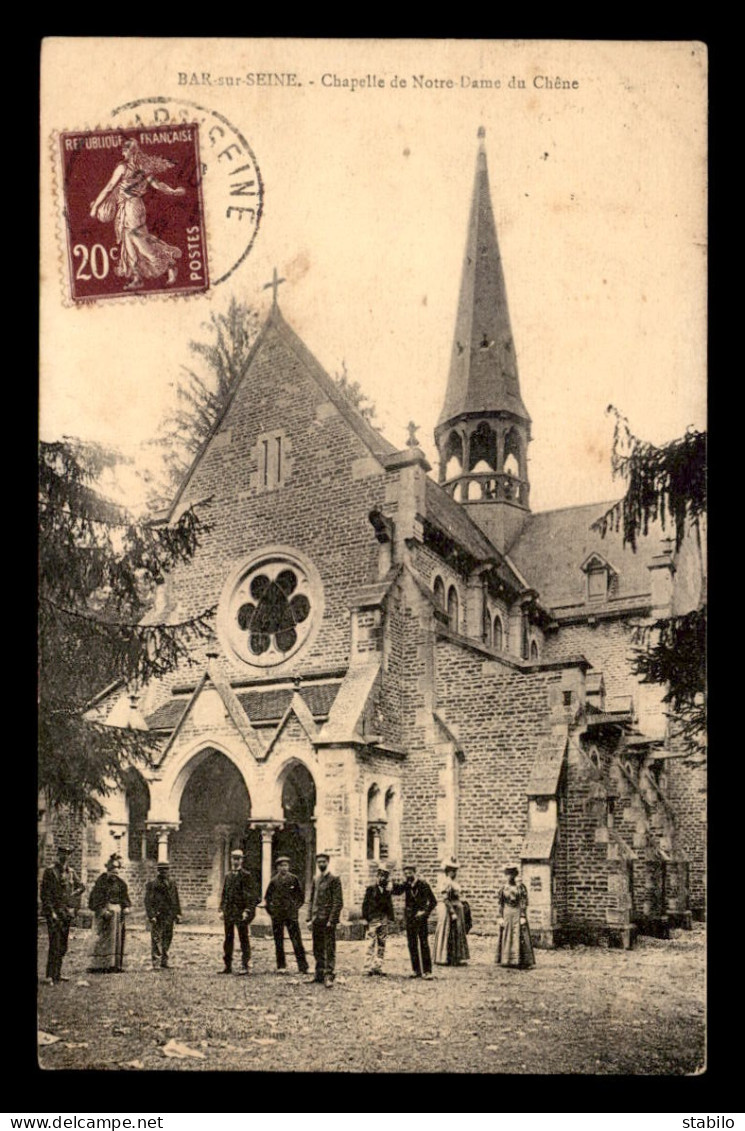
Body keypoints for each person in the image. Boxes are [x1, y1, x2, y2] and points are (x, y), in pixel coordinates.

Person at [89, 137, 186, 291]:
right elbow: (157, 184)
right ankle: (136, 278)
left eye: (125, 149)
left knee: (140, 243)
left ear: (128, 151)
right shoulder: (143, 167)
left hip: (131, 208)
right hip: (134, 206)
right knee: (129, 244)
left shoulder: (122, 168)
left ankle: (169, 265)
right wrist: (172, 191)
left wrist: (95, 207)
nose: (123, 152)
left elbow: (109, 187)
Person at [40, 843, 85, 985]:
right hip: (54, 911)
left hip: (66, 912)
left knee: (63, 944)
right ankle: (50, 975)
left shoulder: (71, 872)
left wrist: (73, 896)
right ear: (58, 855)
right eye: (62, 854)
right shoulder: (50, 871)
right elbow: (45, 894)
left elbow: (81, 886)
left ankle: (58, 974)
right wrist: (51, 912)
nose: (65, 856)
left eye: (68, 854)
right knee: (55, 943)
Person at [264, 856, 309, 975]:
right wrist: (272, 912)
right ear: (277, 867)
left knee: (296, 940)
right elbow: (267, 898)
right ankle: (281, 965)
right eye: (281, 866)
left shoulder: (294, 879)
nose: (283, 868)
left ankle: (303, 966)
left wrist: (294, 908)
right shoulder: (273, 881)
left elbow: (300, 897)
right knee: (278, 940)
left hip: (291, 915)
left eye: (285, 865)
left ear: (288, 867)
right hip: (278, 915)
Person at [391, 864, 437, 979]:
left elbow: (433, 902)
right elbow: (396, 891)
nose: (407, 875)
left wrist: (424, 912)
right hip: (410, 919)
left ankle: (427, 971)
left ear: (414, 872)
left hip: (421, 919)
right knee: (412, 944)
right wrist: (390, 884)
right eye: (405, 873)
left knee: (424, 943)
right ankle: (416, 970)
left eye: (409, 873)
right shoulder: (406, 885)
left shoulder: (423, 885)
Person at [88, 852, 131, 973]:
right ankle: (99, 965)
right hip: (105, 914)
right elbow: (95, 899)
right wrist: (102, 910)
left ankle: (115, 965)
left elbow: (125, 897)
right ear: (108, 870)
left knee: (117, 939)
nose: (114, 874)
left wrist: (126, 906)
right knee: (103, 938)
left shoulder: (121, 883)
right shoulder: (101, 882)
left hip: (118, 915)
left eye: (116, 872)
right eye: (112, 872)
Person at [219, 848, 260, 975]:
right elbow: (224, 894)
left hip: (241, 912)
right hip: (229, 912)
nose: (235, 861)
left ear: (242, 860)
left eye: (238, 858)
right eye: (233, 858)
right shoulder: (228, 876)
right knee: (228, 939)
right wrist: (221, 909)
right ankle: (227, 966)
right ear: (231, 859)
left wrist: (247, 910)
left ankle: (245, 965)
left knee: (243, 938)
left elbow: (251, 895)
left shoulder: (246, 876)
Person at [306, 851, 343, 988]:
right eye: (319, 862)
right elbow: (311, 900)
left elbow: (338, 902)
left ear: (328, 862)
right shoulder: (316, 879)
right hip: (317, 919)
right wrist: (309, 918)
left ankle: (329, 975)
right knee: (317, 947)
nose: (321, 864)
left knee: (329, 948)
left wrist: (332, 920)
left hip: (328, 920)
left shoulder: (334, 879)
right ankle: (319, 974)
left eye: (324, 862)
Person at [495, 865, 535, 970]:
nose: (509, 876)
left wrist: (522, 915)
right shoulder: (503, 888)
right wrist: (500, 916)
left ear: (515, 875)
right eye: (507, 874)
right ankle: (506, 959)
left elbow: (523, 902)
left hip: (517, 912)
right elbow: (500, 903)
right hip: (507, 913)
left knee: (519, 934)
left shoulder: (520, 887)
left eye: (511, 874)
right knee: (507, 934)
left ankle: (521, 960)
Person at [144, 862, 182, 970]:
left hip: (169, 915)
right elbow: (148, 901)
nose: (164, 872)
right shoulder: (152, 884)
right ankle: (156, 962)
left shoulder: (172, 883)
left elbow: (176, 899)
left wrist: (178, 913)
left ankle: (164, 961)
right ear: (158, 871)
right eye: (162, 870)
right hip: (158, 915)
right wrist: (151, 915)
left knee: (167, 937)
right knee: (156, 939)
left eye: (166, 870)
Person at [433, 856, 470, 967]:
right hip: (450, 910)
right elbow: (445, 898)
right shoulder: (446, 882)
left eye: (455, 871)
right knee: (448, 931)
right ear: (447, 871)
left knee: (456, 932)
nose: (454, 873)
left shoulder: (453, 882)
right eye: (452, 871)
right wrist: (452, 912)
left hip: (457, 908)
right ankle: (445, 957)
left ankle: (456, 957)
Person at [361, 864, 395, 976]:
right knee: (370, 943)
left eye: (385, 876)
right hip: (373, 919)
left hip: (383, 918)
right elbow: (365, 905)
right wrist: (365, 918)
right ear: (377, 876)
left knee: (382, 943)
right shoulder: (371, 889)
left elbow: (389, 904)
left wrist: (390, 918)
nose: (382, 878)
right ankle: (367, 967)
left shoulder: (387, 891)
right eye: (380, 876)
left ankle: (377, 967)